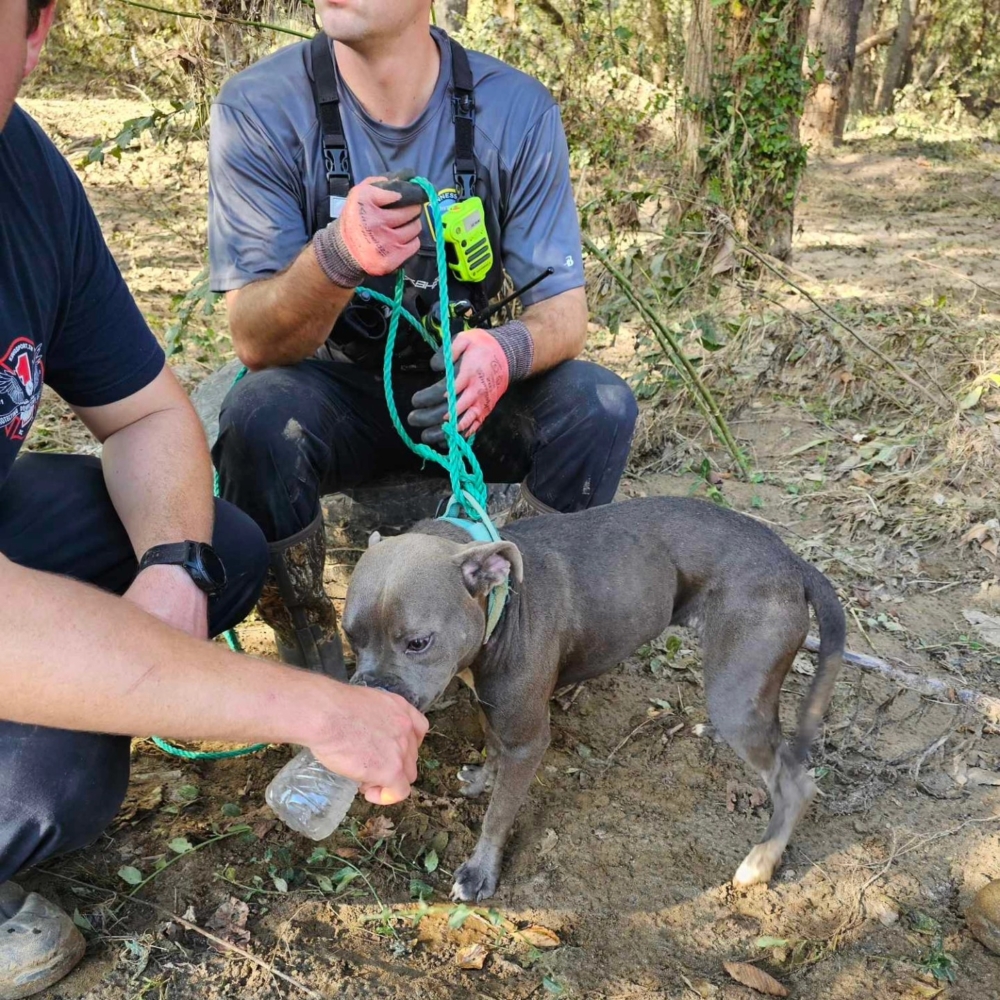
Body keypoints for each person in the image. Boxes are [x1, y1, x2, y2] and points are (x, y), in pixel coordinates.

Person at [0, 1, 428, 995]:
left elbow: (149, 416)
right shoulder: (268, 111)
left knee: (218, 547)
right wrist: (306, 706)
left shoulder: (26, 173)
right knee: (50, 779)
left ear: (36, 30)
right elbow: (258, 335)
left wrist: (169, 567)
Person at [208, 0, 640, 679]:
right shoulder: (260, 107)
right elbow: (255, 340)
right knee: (259, 417)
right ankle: (310, 646)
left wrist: (506, 353)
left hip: (464, 391)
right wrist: (335, 258)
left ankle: (519, 637)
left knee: (601, 407)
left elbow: (563, 311)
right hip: (334, 392)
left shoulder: (515, 110)